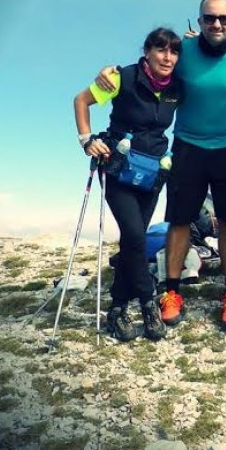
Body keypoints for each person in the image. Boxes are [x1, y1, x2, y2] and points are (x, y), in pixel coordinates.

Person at [96, 0, 226, 330]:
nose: (216, 24)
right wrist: (110, 73)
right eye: (209, 18)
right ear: (199, 21)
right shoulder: (183, 52)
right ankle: (171, 292)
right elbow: (150, 66)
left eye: (224, 19)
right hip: (188, 147)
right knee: (180, 221)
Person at [74, 28, 182, 342]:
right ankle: (148, 304)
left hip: (154, 172)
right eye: (160, 50)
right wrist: (86, 140)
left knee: (133, 242)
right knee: (135, 236)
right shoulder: (122, 77)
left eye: (174, 51)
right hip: (118, 167)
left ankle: (117, 309)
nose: (167, 57)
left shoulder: (177, 86)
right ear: (146, 52)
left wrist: (192, 41)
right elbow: (81, 100)